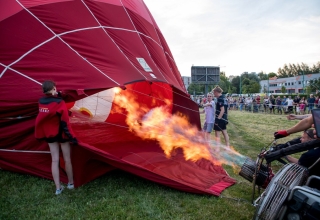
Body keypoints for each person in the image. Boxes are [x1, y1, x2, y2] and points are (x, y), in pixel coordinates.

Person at [35, 80, 78, 195]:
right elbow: (65, 122)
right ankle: (70, 183)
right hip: (61, 134)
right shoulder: (60, 102)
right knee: (67, 159)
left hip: (49, 134)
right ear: (54, 88)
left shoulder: (41, 102)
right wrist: (72, 137)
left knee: (54, 160)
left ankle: (58, 188)